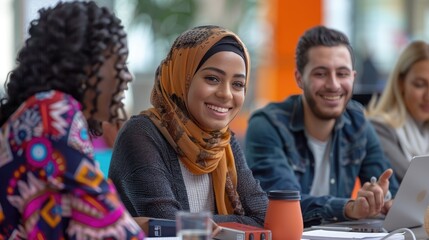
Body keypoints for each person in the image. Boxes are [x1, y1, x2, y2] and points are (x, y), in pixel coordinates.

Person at [0, 1, 144, 239]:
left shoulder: (39, 113)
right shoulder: (52, 112)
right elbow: (112, 229)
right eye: (120, 63)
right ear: (87, 68)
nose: (127, 76)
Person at [109, 25, 268, 228]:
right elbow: (168, 223)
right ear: (181, 77)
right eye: (212, 79)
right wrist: (236, 222)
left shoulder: (222, 142)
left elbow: (262, 217)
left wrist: (196, 222)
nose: (226, 94)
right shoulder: (141, 134)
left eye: (237, 84)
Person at [244, 25, 399, 227]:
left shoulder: (357, 121)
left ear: (353, 77)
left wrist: (381, 198)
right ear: (299, 78)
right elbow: (283, 203)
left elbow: (390, 191)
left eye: (342, 74)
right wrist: (349, 208)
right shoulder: (267, 125)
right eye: (320, 73)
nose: (333, 84)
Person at [366, 40, 429, 182]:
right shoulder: (378, 129)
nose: (427, 96)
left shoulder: (425, 129)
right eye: (419, 85)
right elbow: (418, 183)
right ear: (401, 83)